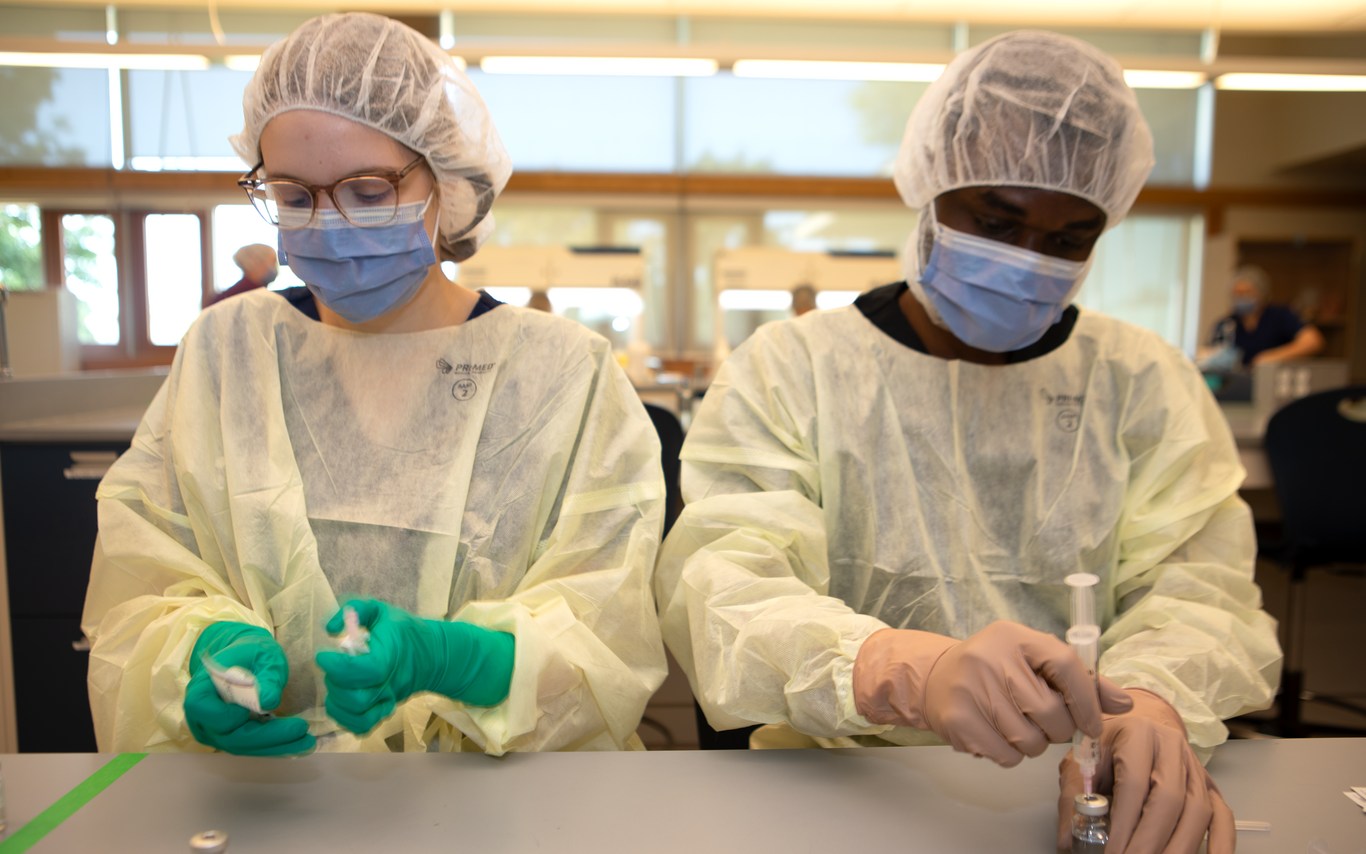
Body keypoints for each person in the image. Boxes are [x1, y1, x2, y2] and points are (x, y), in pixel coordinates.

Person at [656, 31, 1280, 854]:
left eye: (1068, 240)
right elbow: (722, 584)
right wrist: (892, 668)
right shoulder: (794, 368)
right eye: (996, 222)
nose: (1027, 264)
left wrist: (1153, 700)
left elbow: (1202, 591)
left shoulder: (1141, 381)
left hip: (1079, 778)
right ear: (931, 185)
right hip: (838, 783)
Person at [83, 12, 666, 757]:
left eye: (366, 191)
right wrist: (194, 654)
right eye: (294, 197)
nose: (326, 225)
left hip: (498, 799)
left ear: (443, 181)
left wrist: (469, 660)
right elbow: (143, 571)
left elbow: (604, 619)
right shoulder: (226, 353)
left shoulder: (562, 373)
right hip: (264, 795)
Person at [1214, 264, 1324, 367]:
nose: (1241, 298)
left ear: (1262, 293)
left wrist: (1273, 357)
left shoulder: (1281, 316)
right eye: (1237, 294)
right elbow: (1212, 353)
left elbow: (1312, 341)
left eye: (1247, 292)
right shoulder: (1227, 324)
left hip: (1274, 380)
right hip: (1238, 382)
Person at [205, 243, 278, 307]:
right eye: (273, 263)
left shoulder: (227, 295)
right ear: (255, 262)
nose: (275, 269)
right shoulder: (253, 295)